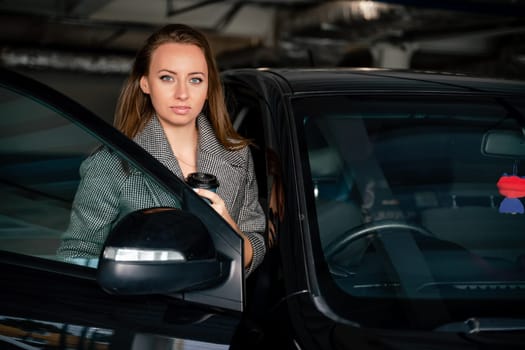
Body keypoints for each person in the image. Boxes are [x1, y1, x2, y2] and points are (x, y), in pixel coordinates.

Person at [57, 23, 266, 274]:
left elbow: (256, 242)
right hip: (139, 309)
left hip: (220, 307)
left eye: (195, 80)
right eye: (167, 78)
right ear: (145, 84)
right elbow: (77, 254)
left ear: (208, 88)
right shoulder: (111, 162)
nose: (182, 93)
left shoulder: (237, 155)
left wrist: (227, 229)